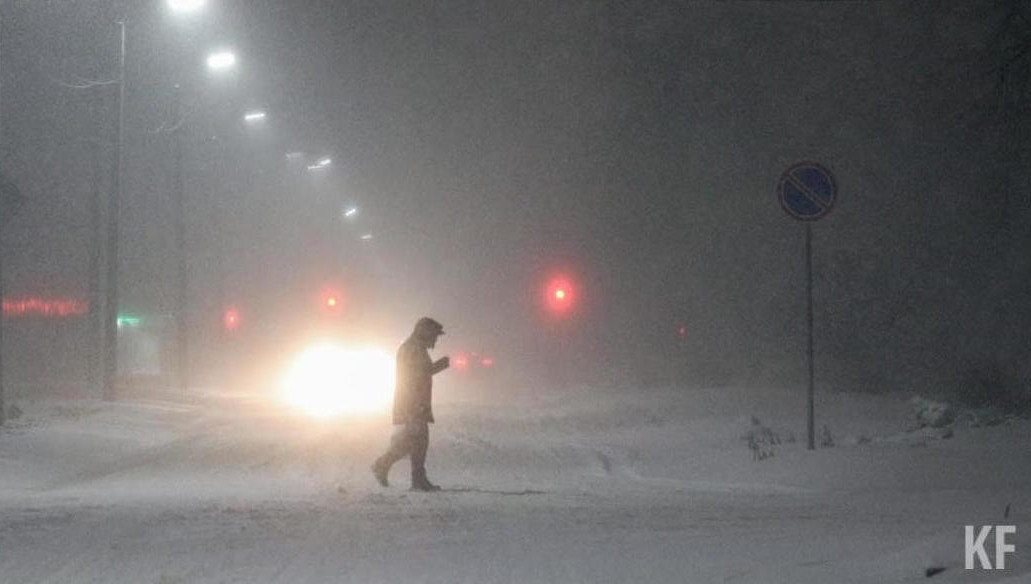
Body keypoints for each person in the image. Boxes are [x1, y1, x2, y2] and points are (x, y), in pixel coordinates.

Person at [372, 317, 450, 491]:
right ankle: (415, 479)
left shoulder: (413, 347)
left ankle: (386, 466)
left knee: (411, 441)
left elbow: (419, 374)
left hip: (413, 403)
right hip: (413, 403)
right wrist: (439, 365)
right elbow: (417, 375)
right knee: (418, 440)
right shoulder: (413, 349)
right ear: (425, 332)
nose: (435, 340)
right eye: (434, 335)